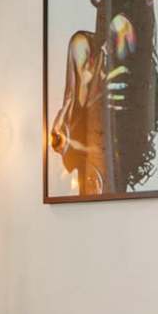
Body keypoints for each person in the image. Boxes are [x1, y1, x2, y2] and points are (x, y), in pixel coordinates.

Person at [46, 28, 105, 196]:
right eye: (77, 63)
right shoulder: (70, 108)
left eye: (86, 62)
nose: (82, 71)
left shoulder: (103, 101)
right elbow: (57, 142)